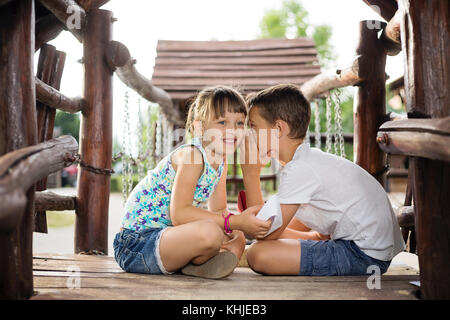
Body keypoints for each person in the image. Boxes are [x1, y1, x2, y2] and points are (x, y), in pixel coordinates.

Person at [241, 84, 405, 276]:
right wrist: (268, 231)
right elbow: (280, 230)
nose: (248, 134)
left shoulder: (299, 169)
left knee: (258, 254)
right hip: (371, 250)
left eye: (252, 126)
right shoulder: (308, 161)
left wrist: (250, 174)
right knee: (272, 237)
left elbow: (263, 232)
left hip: (364, 256)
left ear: (278, 128)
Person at [113, 85, 271, 279]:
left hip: (168, 238)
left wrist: (237, 229)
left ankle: (196, 265)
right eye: (222, 122)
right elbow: (180, 214)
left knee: (237, 236)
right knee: (212, 232)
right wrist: (235, 221)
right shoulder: (192, 156)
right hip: (136, 244)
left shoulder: (220, 160)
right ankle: (200, 259)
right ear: (199, 128)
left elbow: (219, 209)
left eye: (239, 123)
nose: (233, 131)